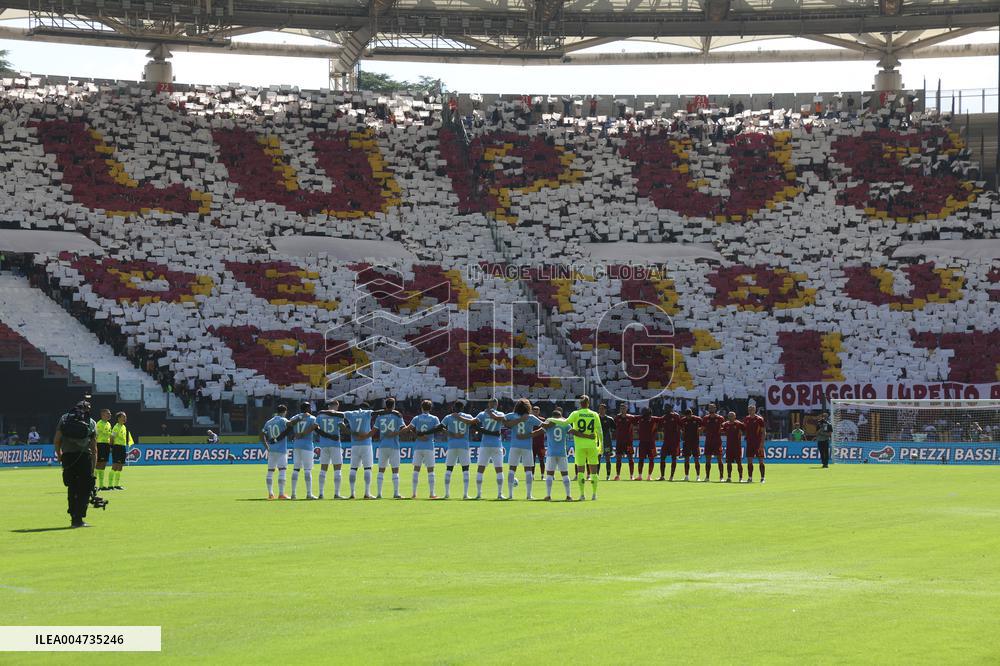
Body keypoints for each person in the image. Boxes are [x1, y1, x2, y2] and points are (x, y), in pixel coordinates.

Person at [548, 395, 603, 501]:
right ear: (588, 403)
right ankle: (594, 494)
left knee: (581, 472)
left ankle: (582, 494)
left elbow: (564, 422)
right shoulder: (594, 414)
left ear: (580, 403)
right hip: (592, 445)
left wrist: (551, 419)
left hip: (580, 446)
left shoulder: (575, 414)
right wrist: (601, 446)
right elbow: (599, 431)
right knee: (593, 472)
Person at [53, 399, 98, 528]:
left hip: (67, 457)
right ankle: (79, 519)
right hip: (84, 458)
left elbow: (56, 440)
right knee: (84, 489)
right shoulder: (91, 422)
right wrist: (93, 468)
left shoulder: (64, 419)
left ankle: (73, 517)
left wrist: (59, 456)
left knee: (72, 488)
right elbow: (94, 448)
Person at [503, 399, 542, 500]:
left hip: (514, 445)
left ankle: (510, 495)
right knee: (528, 470)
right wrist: (530, 435)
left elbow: (505, 423)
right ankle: (529, 495)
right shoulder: (531, 417)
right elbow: (544, 427)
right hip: (527, 447)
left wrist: (517, 421)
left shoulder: (511, 415)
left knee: (512, 469)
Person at [341, 402, 379, 500]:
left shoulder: (350, 413)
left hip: (354, 444)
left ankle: (352, 493)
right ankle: (367, 493)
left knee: (353, 468)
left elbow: (338, 415)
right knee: (367, 468)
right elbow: (377, 412)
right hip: (366, 444)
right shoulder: (367, 413)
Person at [441, 401, 478, 500]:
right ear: (462, 408)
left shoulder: (448, 417)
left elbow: (441, 428)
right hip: (464, 445)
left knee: (449, 469)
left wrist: (452, 434)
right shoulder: (468, 416)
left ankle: (446, 494)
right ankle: (465, 494)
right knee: (465, 469)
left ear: (454, 407)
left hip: (452, 445)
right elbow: (475, 422)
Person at [473, 398, 509, 500]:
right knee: (499, 469)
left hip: (485, 445)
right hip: (496, 444)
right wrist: (492, 432)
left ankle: (479, 494)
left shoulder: (482, 414)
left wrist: (483, 431)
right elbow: (502, 419)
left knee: (480, 469)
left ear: (489, 404)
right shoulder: (501, 414)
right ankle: (499, 494)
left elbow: (473, 424)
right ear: (497, 404)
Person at [534, 408, 572, 501]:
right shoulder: (564, 422)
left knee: (550, 474)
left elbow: (540, 431)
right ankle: (568, 496)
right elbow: (572, 431)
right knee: (565, 474)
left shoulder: (549, 421)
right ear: (560, 415)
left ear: (552, 416)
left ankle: (548, 495)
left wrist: (529, 434)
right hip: (562, 452)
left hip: (551, 452)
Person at [407, 400, 442, 499]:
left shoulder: (416, 418)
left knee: (416, 470)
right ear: (430, 408)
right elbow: (438, 430)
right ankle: (432, 493)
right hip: (429, 446)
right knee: (430, 470)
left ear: (421, 408)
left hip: (418, 447)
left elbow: (409, 428)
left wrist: (417, 435)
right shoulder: (434, 418)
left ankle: (413, 493)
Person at [373, 398, 405, 499]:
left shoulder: (379, 416)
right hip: (394, 445)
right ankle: (396, 493)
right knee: (395, 470)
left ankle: (379, 494)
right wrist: (395, 433)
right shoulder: (397, 416)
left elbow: (374, 431)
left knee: (381, 470)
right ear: (394, 405)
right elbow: (403, 429)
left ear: (385, 405)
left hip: (382, 445)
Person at [314, 400, 346, 499]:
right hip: (335, 444)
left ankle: (321, 493)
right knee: (337, 469)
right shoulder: (337, 416)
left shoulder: (320, 416)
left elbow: (315, 428)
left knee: (323, 469)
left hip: (323, 445)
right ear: (335, 406)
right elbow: (342, 427)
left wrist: (326, 435)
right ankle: (336, 494)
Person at [260, 405, 291, 499]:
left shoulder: (269, 422)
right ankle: (281, 494)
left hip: (271, 450)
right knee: (282, 471)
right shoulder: (283, 420)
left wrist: (267, 447)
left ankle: (270, 494)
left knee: (270, 471)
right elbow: (291, 426)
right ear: (285, 412)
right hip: (281, 450)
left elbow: (261, 435)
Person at [288, 402, 318, 500]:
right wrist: (304, 433)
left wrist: (297, 433)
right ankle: (309, 494)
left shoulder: (296, 417)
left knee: (296, 469)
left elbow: (288, 424)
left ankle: (293, 494)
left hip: (297, 445)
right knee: (307, 470)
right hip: (307, 446)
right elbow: (315, 426)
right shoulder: (312, 418)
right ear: (308, 408)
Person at [634, 408, 664, 481]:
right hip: (642, 442)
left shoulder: (654, 419)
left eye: (645, 413)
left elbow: (663, 419)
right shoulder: (640, 418)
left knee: (651, 459)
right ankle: (640, 476)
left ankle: (649, 476)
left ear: (649, 413)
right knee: (641, 459)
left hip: (651, 443)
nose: (643, 414)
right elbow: (632, 418)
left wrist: (658, 428)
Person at [108, 411, 133, 490]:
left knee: (120, 466)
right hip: (117, 447)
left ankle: (116, 485)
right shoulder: (116, 427)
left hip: (122, 447)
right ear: (119, 418)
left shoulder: (123, 427)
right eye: (123, 417)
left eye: (125, 417)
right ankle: (110, 485)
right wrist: (111, 447)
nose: (125, 418)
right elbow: (112, 438)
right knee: (115, 466)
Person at [702, 404, 725, 482]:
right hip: (708, 441)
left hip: (717, 441)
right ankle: (707, 477)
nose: (711, 409)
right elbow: (703, 428)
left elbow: (724, 428)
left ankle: (721, 477)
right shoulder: (705, 418)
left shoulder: (720, 418)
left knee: (719, 459)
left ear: (715, 408)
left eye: (712, 407)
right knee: (708, 460)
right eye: (710, 408)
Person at [613, 404, 637, 480]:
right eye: (621, 408)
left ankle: (631, 475)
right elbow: (614, 427)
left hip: (628, 442)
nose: (622, 409)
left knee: (630, 458)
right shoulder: (617, 417)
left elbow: (636, 424)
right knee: (618, 459)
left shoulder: (631, 417)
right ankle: (618, 475)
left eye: (624, 408)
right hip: (619, 442)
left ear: (626, 409)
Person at [744, 404, 767, 483]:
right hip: (749, 443)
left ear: (755, 410)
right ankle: (750, 478)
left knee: (761, 460)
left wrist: (762, 444)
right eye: (749, 409)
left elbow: (763, 432)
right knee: (749, 461)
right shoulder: (746, 419)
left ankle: (762, 478)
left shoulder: (759, 419)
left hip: (758, 443)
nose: (750, 411)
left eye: (752, 409)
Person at [659, 405, 682, 481]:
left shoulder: (676, 416)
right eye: (665, 408)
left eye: (667, 408)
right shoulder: (663, 417)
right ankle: (662, 476)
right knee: (662, 457)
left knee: (674, 458)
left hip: (674, 441)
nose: (665, 409)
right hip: (666, 441)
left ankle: (671, 476)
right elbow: (660, 428)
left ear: (671, 409)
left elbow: (681, 426)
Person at [721, 411, 745, 482]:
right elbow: (721, 429)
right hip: (729, 447)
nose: (731, 417)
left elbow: (745, 429)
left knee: (739, 463)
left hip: (737, 446)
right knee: (728, 463)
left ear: (735, 416)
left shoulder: (739, 424)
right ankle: (729, 477)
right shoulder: (726, 424)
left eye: (732, 416)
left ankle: (741, 478)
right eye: (729, 416)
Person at [680, 408, 703, 481]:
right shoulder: (683, 420)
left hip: (695, 442)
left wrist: (700, 430)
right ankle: (686, 476)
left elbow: (703, 426)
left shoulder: (697, 419)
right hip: (686, 442)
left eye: (689, 415)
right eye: (687, 415)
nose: (688, 417)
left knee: (696, 459)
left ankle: (698, 476)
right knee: (686, 459)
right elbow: (680, 428)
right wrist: (682, 433)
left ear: (691, 413)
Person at [94, 408, 113, 490]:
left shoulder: (108, 424)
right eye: (108, 413)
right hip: (100, 444)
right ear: (102, 415)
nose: (110, 415)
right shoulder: (99, 424)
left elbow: (109, 436)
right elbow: (95, 436)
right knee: (98, 464)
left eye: (110, 413)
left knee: (104, 464)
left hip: (106, 445)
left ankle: (101, 485)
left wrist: (110, 446)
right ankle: (93, 485)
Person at [597, 404, 616, 481]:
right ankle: (596, 475)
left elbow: (614, 428)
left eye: (602, 409)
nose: (600, 410)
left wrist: (610, 435)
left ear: (605, 410)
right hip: (598, 441)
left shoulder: (609, 419)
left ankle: (608, 475)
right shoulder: (596, 418)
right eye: (600, 408)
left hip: (607, 441)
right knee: (597, 458)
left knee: (607, 458)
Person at [530, 406, 546, 484]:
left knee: (542, 460)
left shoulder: (542, 420)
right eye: (534, 410)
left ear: (539, 411)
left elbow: (545, 430)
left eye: (537, 410)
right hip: (532, 443)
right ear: (532, 411)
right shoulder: (530, 420)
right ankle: (532, 476)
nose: (535, 411)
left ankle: (542, 475)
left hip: (541, 443)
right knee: (532, 460)